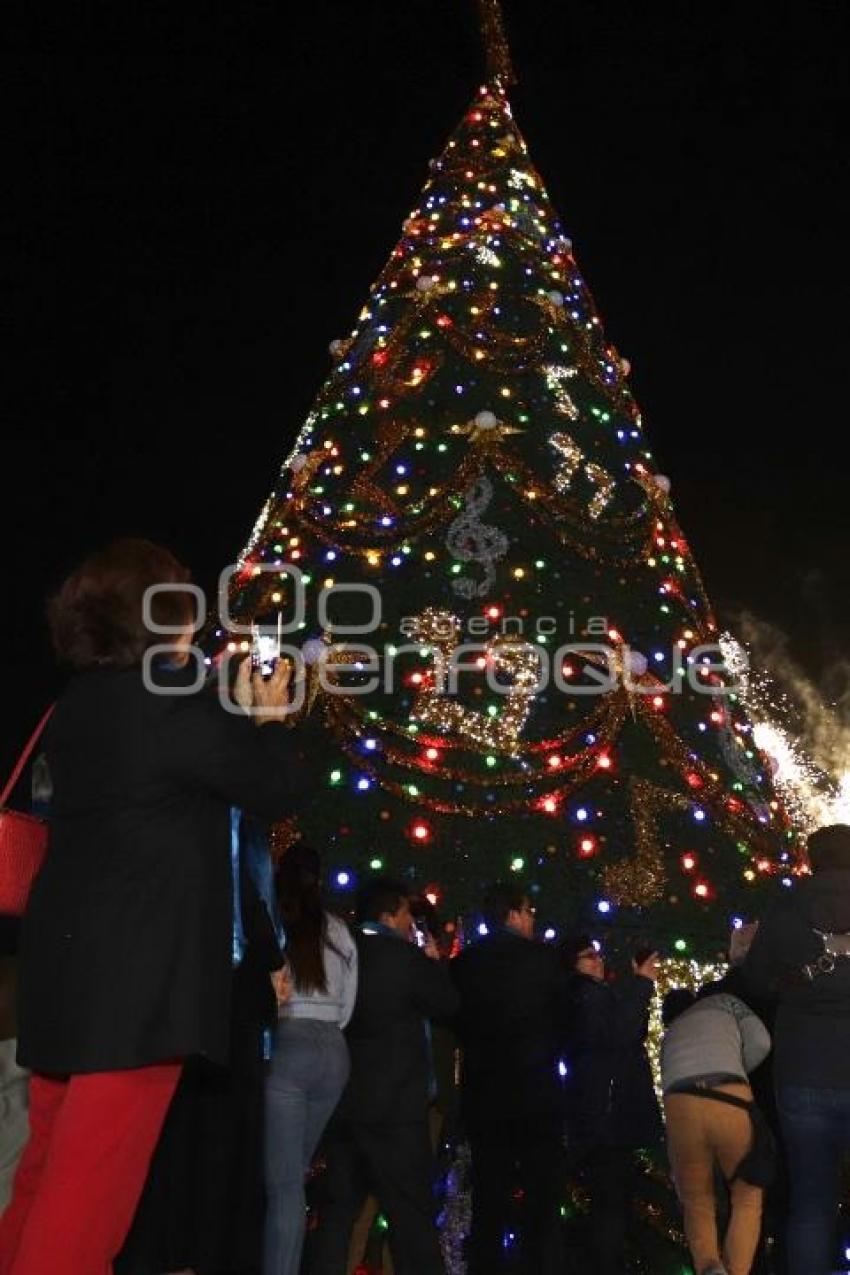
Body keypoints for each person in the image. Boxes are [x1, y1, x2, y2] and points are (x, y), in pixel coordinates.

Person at [0, 538, 301, 1275]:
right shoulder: (168, 697)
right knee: (89, 1191)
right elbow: (274, 788)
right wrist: (270, 718)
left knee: (42, 1169)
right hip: (137, 992)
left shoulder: (73, 705)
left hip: (61, 977)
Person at [310, 876, 458, 1275]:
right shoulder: (404, 958)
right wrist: (432, 963)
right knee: (410, 1212)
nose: (412, 923)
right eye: (408, 914)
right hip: (397, 1106)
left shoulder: (340, 952)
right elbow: (447, 1005)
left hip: (345, 1098)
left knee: (340, 1210)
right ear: (390, 915)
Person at [743, 824, 850, 1275]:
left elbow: (753, 982)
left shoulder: (785, 907)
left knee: (810, 1201)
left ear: (811, 860)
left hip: (802, 1069)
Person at [451, 882, 567, 1275]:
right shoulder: (545, 961)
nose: (533, 919)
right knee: (542, 1200)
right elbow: (566, 1022)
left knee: (489, 1199)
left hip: (485, 1095)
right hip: (537, 1093)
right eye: (530, 911)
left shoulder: (466, 963)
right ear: (514, 914)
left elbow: (457, 1023)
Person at [264, 843, 357, 1275]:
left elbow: (270, 989)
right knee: (294, 1175)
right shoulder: (338, 929)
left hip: (290, 1041)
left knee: (282, 1185)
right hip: (334, 1051)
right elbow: (348, 1005)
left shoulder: (277, 920)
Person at [560, 935, 663, 1275]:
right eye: (589, 957)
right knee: (611, 1202)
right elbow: (620, 1032)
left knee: (609, 1201)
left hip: (600, 1113)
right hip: (607, 1115)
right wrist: (641, 985)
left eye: (598, 955)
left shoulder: (585, 997)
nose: (599, 961)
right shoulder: (588, 996)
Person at [661, 980, 773, 1275]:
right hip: (729, 1097)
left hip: (680, 1104)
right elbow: (762, 1042)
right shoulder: (725, 1002)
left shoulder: (671, 1033)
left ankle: (709, 1267)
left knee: (697, 1199)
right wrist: (735, 1068)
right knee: (747, 1196)